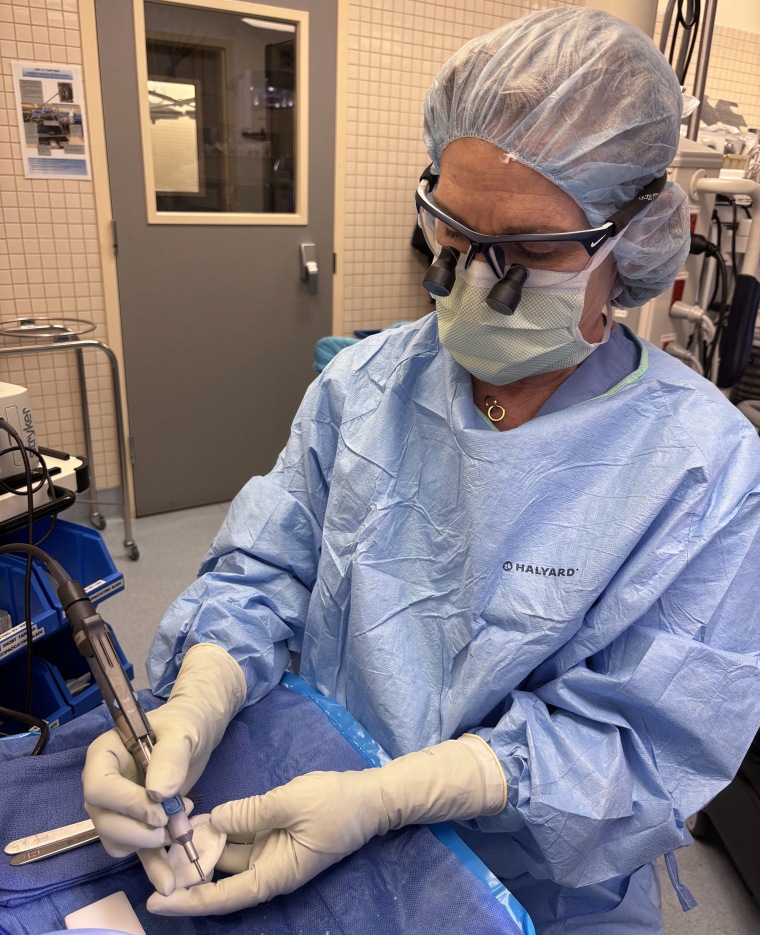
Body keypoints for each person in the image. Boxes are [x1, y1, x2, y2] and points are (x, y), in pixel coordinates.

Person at [83, 8, 760, 933]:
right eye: (453, 231)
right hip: (302, 814)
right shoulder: (367, 381)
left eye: (526, 251)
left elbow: (647, 740)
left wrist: (399, 793)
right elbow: (268, 568)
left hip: (538, 887)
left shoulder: (704, 469)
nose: (478, 281)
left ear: (633, 240)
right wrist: (198, 693)